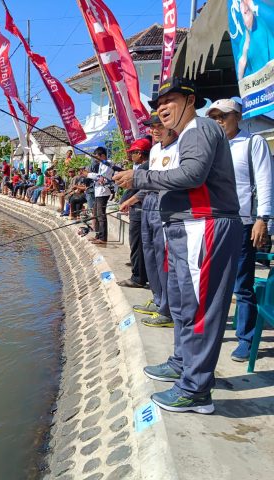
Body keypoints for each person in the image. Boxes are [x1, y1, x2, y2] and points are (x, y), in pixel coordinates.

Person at [114, 76, 242, 414]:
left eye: (169, 101)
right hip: (189, 227)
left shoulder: (199, 130)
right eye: (158, 104)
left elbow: (192, 176)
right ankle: (182, 363)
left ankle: (196, 388)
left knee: (200, 310)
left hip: (206, 225)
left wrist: (139, 177)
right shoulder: (187, 135)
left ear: (190, 100)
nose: (162, 109)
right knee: (186, 305)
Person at [206, 98, 273, 361]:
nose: (219, 121)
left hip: (242, 223)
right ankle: (213, 329)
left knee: (241, 284)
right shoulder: (213, 146)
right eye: (214, 117)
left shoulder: (252, 142)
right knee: (211, 281)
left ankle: (245, 338)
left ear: (238, 116)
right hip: (213, 222)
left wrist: (262, 218)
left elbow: (266, 181)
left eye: (223, 116)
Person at [125, 110, 180, 328]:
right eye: (152, 126)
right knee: (150, 254)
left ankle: (167, 309)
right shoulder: (156, 149)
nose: (154, 130)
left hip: (164, 204)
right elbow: (148, 181)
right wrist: (134, 197)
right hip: (148, 203)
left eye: (159, 126)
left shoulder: (179, 147)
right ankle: (158, 300)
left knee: (164, 257)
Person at [117, 138, 151, 289]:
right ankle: (142, 275)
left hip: (139, 211)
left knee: (137, 245)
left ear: (140, 153)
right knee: (140, 245)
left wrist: (127, 202)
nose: (130, 156)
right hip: (138, 209)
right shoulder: (142, 167)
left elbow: (139, 190)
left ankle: (138, 277)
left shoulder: (144, 168)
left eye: (132, 153)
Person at [87, 147, 114, 245]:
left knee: (101, 215)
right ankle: (98, 235)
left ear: (102, 155)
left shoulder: (108, 164)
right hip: (98, 192)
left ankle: (103, 238)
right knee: (96, 214)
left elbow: (102, 178)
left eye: (97, 157)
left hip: (103, 192)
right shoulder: (101, 164)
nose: (95, 159)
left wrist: (88, 174)